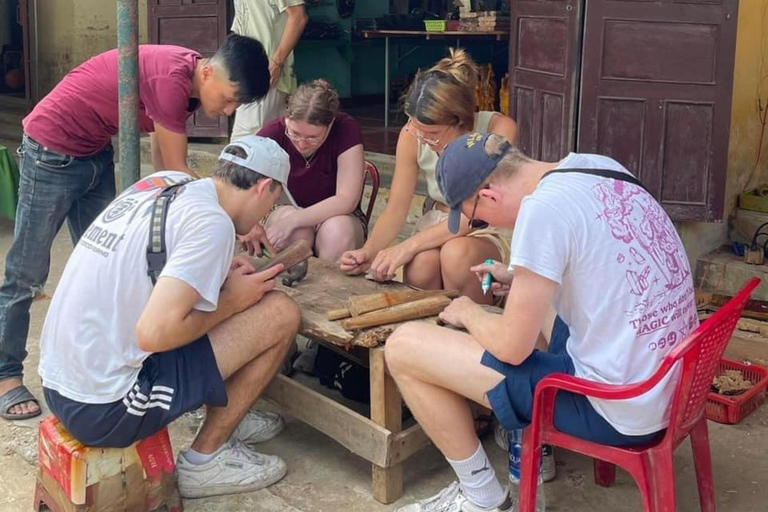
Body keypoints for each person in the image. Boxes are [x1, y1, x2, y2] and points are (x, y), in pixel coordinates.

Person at [386, 133, 698, 512]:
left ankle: (480, 495)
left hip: (619, 408)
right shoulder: (595, 166)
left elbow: (512, 349)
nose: (482, 223)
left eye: (477, 217)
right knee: (535, 306)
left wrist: (470, 311)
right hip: (675, 385)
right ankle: (523, 439)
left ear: (488, 195)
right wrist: (520, 279)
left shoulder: (542, 210)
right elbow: (597, 264)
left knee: (403, 347)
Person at [0, 34, 270, 421]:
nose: (226, 111)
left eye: (236, 105)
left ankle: (115, 365)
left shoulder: (191, 86)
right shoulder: (171, 80)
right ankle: (6, 374)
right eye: (228, 98)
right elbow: (177, 168)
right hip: (51, 150)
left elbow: (164, 168)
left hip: (94, 149)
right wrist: (234, 213)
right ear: (208, 72)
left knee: (109, 260)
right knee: (27, 271)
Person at [38, 136, 301, 499]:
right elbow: (153, 333)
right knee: (280, 313)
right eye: (272, 203)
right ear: (263, 187)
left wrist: (221, 277)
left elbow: (152, 265)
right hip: (106, 406)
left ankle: (230, 409)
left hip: (59, 381)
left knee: (228, 299)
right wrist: (232, 302)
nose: (267, 214)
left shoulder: (166, 183)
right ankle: (204, 461)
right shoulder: (213, 223)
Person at [339, 49, 518, 304]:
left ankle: (471, 333)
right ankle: (432, 333)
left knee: (457, 255)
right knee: (420, 265)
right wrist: (369, 252)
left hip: (486, 227)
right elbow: (397, 208)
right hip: (438, 220)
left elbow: (476, 215)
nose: (423, 139)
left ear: (460, 121)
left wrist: (405, 246)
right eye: (417, 130)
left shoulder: (497, 130)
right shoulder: (412, 133)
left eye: (432, 133)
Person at [254, 79, 365, 262]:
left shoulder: (346, 129)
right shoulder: (274, 131)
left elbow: (347, 199)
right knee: (295, 233)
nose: (302, 144)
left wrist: (296, 219)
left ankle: (331, 288)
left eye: (313, 137)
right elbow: (239, 179)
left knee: (336, 233)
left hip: (337, 215)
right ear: (287, 118)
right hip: (287, 208)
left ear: (330, 125)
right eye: (295, 134)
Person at [230, 0, 308, 140]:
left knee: (246, 140)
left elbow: (298, 17)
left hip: (265, 71)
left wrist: (277, 62)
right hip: (248, 69)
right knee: (271, 140)